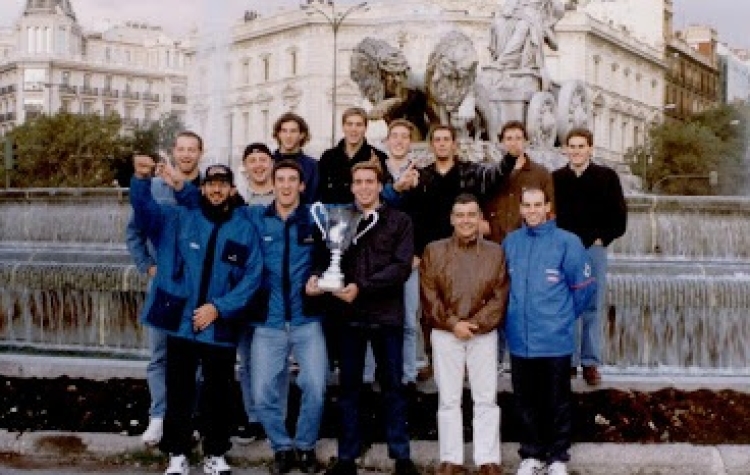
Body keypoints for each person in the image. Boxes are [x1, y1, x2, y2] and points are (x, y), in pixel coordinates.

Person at [130, 158, 262, 475]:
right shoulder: (179, 216)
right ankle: (177, 453)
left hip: (219, 324)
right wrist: (140, 178)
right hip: (181, 323)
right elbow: (145, 212)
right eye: (211, 184)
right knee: (179, 391)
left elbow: (252, 276)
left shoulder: (244, 227)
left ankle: (215, 453)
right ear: (202, 188)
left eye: (223, 184)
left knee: (219, 393)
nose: (217, 190)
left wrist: (219, 307)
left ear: (232, 189)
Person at [308, 161, 419, 475]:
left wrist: (362, 287)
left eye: (370, 181)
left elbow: (400, 267)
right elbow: (323, 258)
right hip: (348, 316)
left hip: (386, 316)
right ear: (352, 186)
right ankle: (346, 458)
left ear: (380, 184)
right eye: (358, 181)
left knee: (393, 387)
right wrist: (317, 279)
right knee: (349, 389)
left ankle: (401, 457)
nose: (364, 187)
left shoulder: (400, 220)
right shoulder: (339, 218)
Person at [398, 125, 517, 373]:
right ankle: (433, 360)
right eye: (437, 140)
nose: (442, 144)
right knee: (431, 309)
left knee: (465, 304)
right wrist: (416, 252)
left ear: (454, 144)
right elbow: (413, 216)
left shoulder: (469, 172)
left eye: (446, 140)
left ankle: (467, 361)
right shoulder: (422, 176)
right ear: (432, 145)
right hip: (432, 254)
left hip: (465, 249)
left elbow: (494, 177)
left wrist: (510, 157)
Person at [503, 186, 595, 475]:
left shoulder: (567, 242)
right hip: (519, 338)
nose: (532, 211)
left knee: (557, 400)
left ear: (547, 208)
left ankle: (557, 458)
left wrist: (562, 317)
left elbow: (583, 290)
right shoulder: (511, 242)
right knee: (525, 400)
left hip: (554, 338)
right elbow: (502, 287)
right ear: (520, 209)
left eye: (537, 205)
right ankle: (531, 455)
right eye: (526, 205)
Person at [246, 160, 327, 475]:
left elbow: (332, 251)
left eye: (293, 179)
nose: (286, 185)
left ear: (301, 185)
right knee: (262, 390)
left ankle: (305, 447)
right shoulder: (257, 218)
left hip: (307, 320)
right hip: (269, 321)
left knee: (316, 386)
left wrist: (320, 275)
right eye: (280, 179)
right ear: (273, 183)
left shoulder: (314, 219)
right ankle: (281, 447)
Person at [420, 193, 509, 475]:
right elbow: (429, 295)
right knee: (448, 398)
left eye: (472, 215)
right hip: (446, 333)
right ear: (452, 219)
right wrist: (453, 323)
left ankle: (488, 459)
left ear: (480, 218)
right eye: (460, 215)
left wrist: (476, 325)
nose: (466, 221)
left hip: (483, 335)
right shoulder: (434, 251)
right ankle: (451, 459)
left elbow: (500, 296)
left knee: (485, 398)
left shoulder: (496, 252)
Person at [124, 131, 204, 446]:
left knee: (194, 359)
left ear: (201, 152)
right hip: (165, 288)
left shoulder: (209, 187)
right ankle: (158, 416)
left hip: (198, 289)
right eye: (180, 149)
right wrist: (147, 265)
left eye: (191, 149)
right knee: (159, 355)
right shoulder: (154, 189)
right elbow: (135, 232)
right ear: (173, 151)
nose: (185, 155)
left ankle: (189, 417)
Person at [552, 128, 627, 386]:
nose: (576, 151)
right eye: (571, 146)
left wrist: (602, 239)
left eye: (581, 146)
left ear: (590, 149)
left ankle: (590, 362)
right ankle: (568, 361)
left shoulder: (606, 177)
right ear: (565, 149)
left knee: (593, 306)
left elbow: (620, 217)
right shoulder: (557, 179)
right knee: (566, 305)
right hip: (564, 250)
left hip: (593, 249)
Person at [482, 120, 554, 368]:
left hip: (529, 247)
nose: (513, 142)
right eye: (508, 138)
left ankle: (524, 357)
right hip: (496, 245)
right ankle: (496, 358)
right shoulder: (493, 172)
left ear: (526, 141)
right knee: (497, 301)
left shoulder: (541, 173)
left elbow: (551, 211)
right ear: (502, 142)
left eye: (518, 137)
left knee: (525, 300)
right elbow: (480, 200)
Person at [362, 119, 424, 387]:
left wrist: (418, 252)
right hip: (377, 257)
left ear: (410, 142)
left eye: (404, 137)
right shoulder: (375, 174)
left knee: (409, 320)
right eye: (394, 136)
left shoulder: (422, 175)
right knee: (369, 318)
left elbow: (425, 217)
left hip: (409, 259)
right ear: (387, 141)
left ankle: (407, 375)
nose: (399, 141)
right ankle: (368, 375)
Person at [317, 107, 388, 205]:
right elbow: (320, 191)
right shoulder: (328, 157)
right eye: (349, 124)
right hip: (334, 215)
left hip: (365, 214)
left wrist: (379, 173)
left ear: (365, 128)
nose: (353, 129)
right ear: (343, 127)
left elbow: (384, 194)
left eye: (359, 125)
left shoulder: (379, 157)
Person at [272, 112, 319, 204]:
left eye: (293, 131)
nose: (288, 136)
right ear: (278, 134)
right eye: (284, 131)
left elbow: (313, 199)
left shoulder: (312, 165)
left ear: (301, 135)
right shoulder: (269, 163)